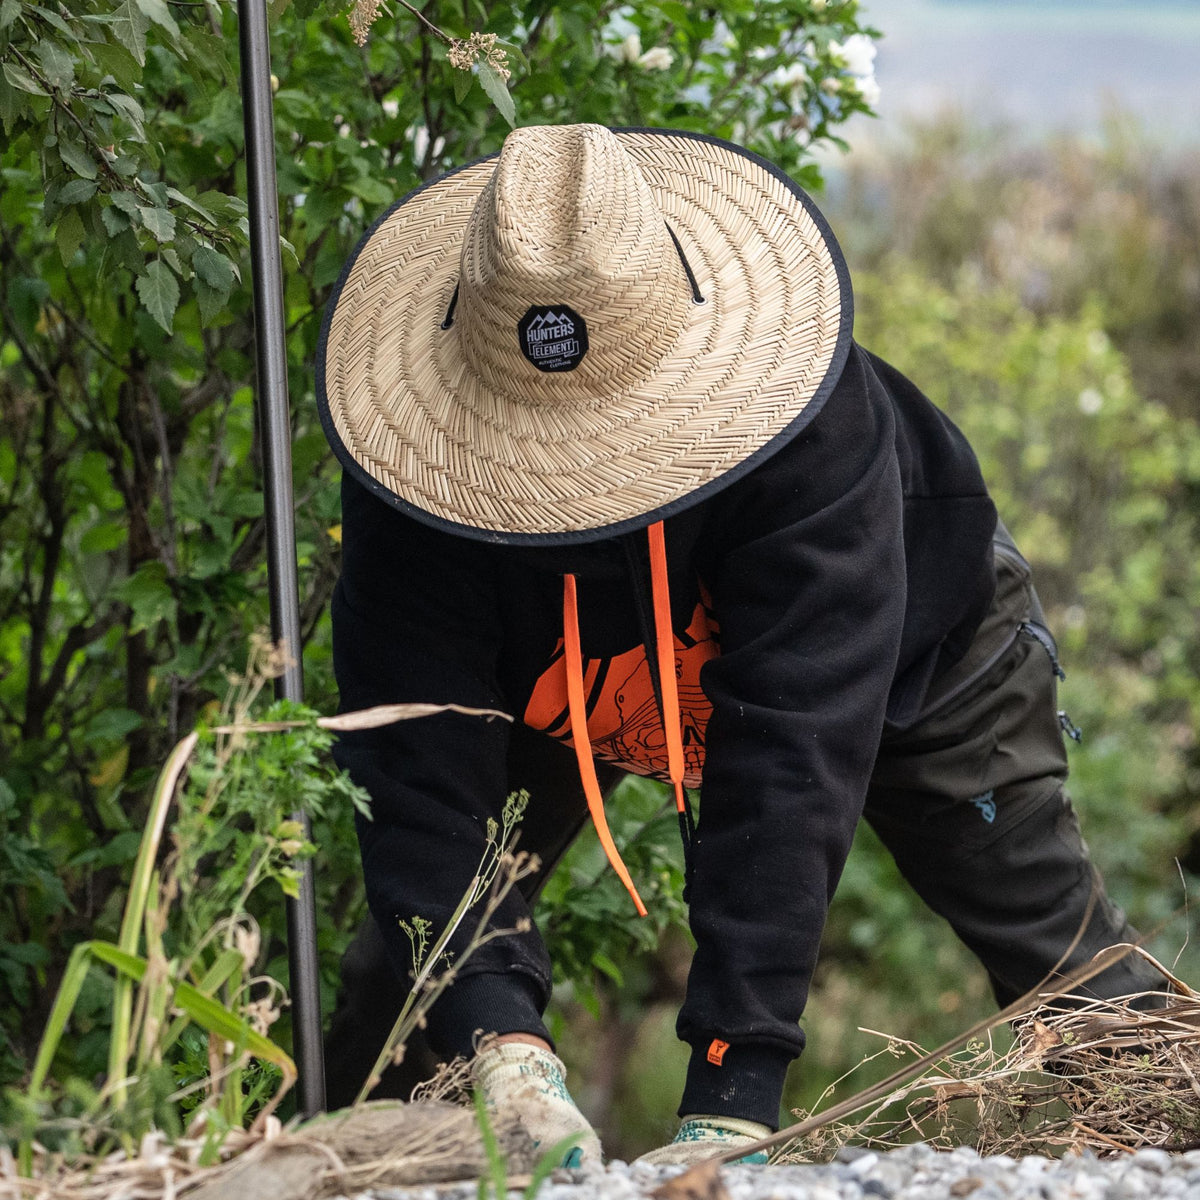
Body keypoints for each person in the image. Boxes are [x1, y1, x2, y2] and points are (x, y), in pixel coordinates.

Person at [315, 123, 1166, 1165]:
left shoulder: (816, 447)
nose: (577, 479)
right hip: (571, 671)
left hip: (909, 642)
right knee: (406, 996)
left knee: (1060, 956)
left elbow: (788, 765)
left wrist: (733, 1093)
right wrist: (502, 1049)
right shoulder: (417, 485)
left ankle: (1176, 1126)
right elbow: (418, 780)